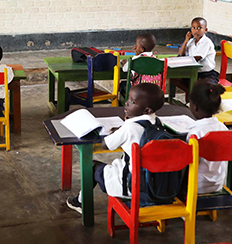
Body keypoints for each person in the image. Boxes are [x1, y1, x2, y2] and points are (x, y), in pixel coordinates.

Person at [66, 83, 165, 213]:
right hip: (155, 184)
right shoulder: (158, 123)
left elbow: (106, 144)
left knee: (92, 166)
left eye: (133, 102)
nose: (127, 103)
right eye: (128, 98)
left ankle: (79, 202)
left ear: (147, 111)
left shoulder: (129, 128)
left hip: (130, 185)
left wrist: (116, 132)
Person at [186, 81, 229, 194]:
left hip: (195, 186)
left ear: (195, 107)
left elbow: (187, 162)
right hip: (217, 185)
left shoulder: (195, 133)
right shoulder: (223, 128)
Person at [178, 17, 218, 82]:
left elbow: (198, 57)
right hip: (193, 71)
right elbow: (180, 54)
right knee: (175, 78)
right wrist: (186, 40)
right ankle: (191, 92)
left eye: (199, 28)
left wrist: (183, 61)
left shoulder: (206, 42)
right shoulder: (191, 41)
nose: (196, 31)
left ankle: (194, 91)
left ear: (205, 30)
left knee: (204, 86)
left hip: (206, 73)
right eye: (193, 28)